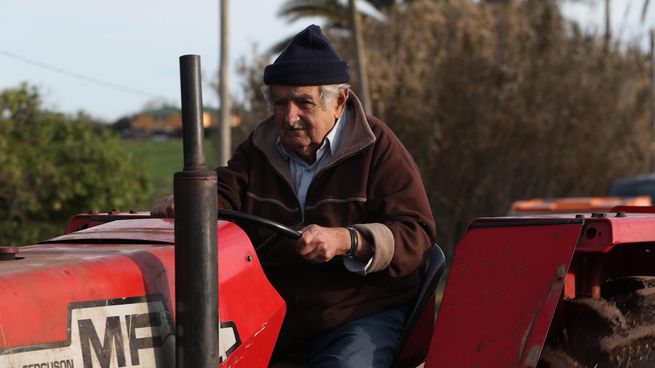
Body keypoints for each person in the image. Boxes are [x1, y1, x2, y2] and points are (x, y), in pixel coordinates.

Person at [152, 24, 436, 367]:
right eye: (281, 102)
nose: (289, 117)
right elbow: (225, 193)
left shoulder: (376, 147)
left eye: (304, 102)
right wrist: (189, 203)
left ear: (339, 102)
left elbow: (416, 234)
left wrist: (346, 240)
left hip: (355, 313)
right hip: (275, 314)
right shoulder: (259, 147)